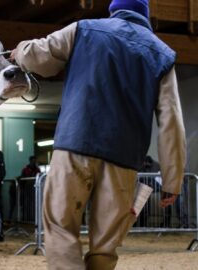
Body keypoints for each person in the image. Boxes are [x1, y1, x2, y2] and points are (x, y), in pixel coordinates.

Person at [10, 0, 186, 269]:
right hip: (124, 160)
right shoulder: (162, 54)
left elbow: (40, 57)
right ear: (146, 15)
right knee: (105, 246)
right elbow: (171, 121)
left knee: (60, 228)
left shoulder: (83, 29)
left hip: (74, 145)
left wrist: (20, 51)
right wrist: (172, 181)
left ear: (114, 9)